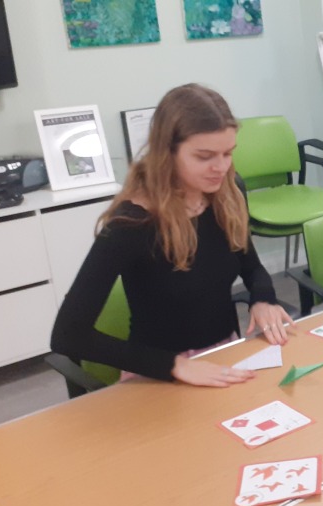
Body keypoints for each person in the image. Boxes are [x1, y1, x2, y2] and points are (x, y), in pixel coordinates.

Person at [50, 83, 292, 388]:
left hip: (223, 357)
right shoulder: (131, 223)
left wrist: (263, 299)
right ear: (168, 152)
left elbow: (251, 266)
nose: (221, 167)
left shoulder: (227, 193)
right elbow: (68, 335)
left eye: (228, 153)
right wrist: (174, 366)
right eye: (204, 156)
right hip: (161, 373)